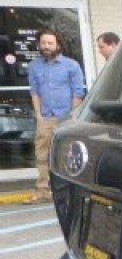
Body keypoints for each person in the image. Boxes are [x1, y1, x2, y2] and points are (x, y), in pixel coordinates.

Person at [27, 30, 85, 202]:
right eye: (43, 43)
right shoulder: (34, 66)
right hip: (45, 118)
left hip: (66, 117)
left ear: (58, 45)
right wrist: (38, 115)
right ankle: (43, 191)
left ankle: (69, 190)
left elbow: (78, 93)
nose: (45, 46)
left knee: (67, 155)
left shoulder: (71, 65)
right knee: (42, 155)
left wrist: (72, 117)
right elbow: (34, 92)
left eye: (49, 43)